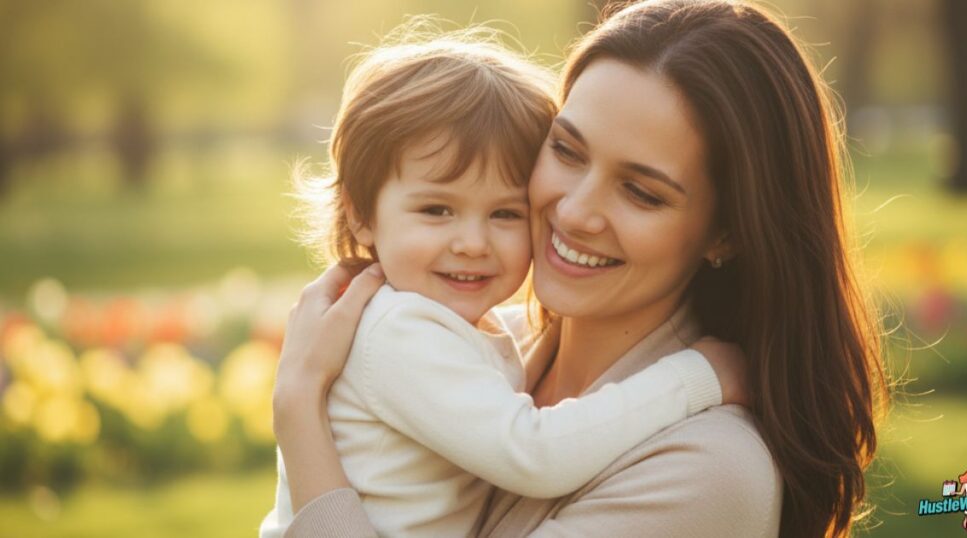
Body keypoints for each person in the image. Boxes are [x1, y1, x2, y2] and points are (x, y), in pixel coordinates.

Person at [272, 1, 890, 536]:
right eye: (566, 150)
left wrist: (299, 413)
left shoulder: (708, 471)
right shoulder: (489, 344)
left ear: (726, 232)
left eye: (641, 192)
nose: (574, 210)